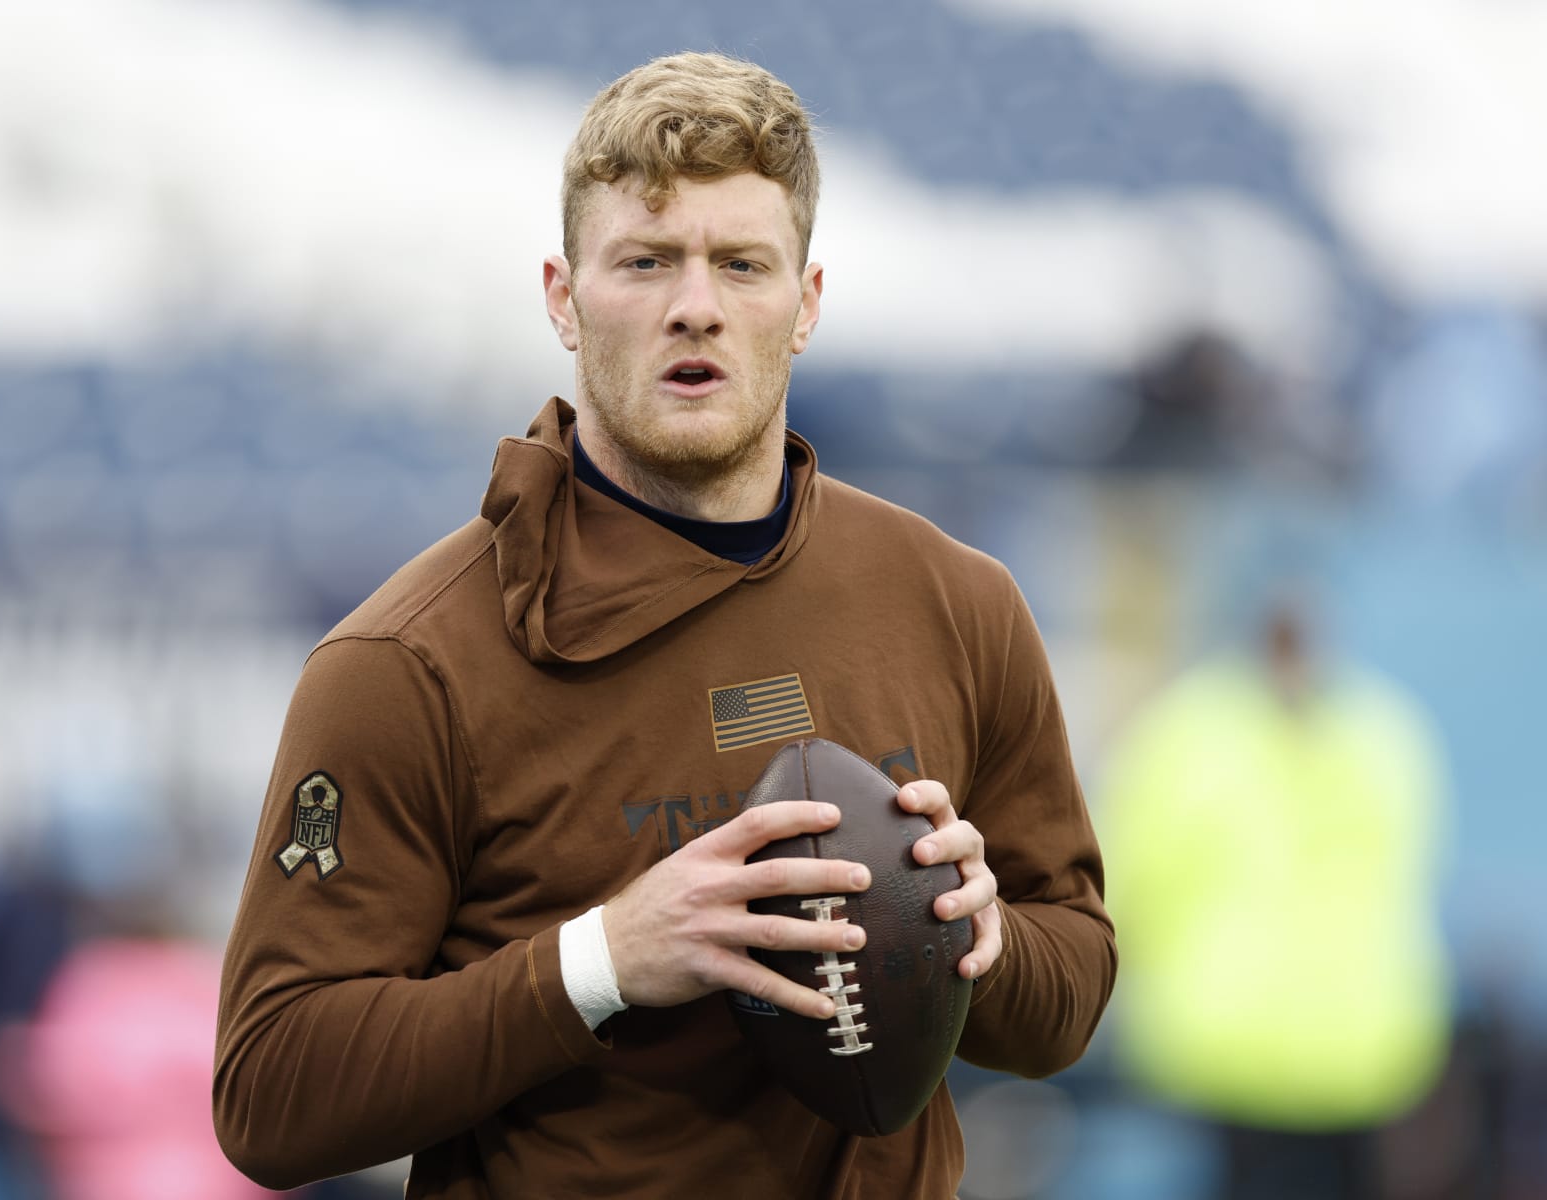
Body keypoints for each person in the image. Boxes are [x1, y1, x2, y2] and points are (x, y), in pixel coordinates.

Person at [214, 52, 1115, 1199]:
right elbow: (270, 1099)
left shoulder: (956, 600)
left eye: (743, 264)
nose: (698, 304)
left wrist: (978, 939)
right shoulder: (406, 665)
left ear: (806, 304)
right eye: (645, 262)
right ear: (562, 297)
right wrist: (604, 960)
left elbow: (1071, 993)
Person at [1098, 592, 1453, 1199]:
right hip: (1357, 1048)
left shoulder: (1184, 732)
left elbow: (1119, 886)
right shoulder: (1388, 730)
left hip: (1223, 1046)